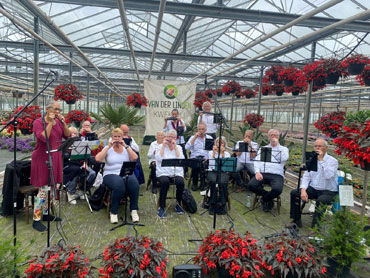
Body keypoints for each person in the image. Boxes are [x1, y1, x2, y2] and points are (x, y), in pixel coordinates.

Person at [31, 101, 70, 232]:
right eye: (55, 109)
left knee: (53, 186)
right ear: (47, 109)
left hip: (56, 157)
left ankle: (46, 213)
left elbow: (67, 135)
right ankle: (36, 219)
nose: (58, 112)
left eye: (59, 110)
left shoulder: (59, 122)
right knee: (43, 188)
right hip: (43, 158)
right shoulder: (39, 122)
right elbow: (44, 138)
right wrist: (50, 123)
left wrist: (63, 122)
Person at [289, 138, 338, 228]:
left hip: (328, 190)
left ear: (326, 148)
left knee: (321, 201)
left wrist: (321, 161)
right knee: (295, 193)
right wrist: (303, 190)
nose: (317, 148)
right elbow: (307, 176)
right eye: (315, 146)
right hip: (314, 187)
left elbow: (328, 176)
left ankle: (315, 227)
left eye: (320, 146)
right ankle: (296, 220)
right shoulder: (311, 160)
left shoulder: (333, 161)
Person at [95, 128, 140, 224]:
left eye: (119, 136)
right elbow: (98, 159)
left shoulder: (125, 148)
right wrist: (108, 147)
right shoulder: (108, 148)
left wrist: (126, 146)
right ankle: (113, 211)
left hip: (125, 172)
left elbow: (135, 158)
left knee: (134, 184)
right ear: (112, 137)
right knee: (119, 185)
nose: (117, 138)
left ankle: (134, 210)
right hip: (110, 173)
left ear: (122, 137)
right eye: (115, 136)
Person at [248, 129, 289, 212]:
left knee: (277, 189)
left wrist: (277, 145)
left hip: (276, 174)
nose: (273, 137)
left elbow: (284, 159)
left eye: (275, 135)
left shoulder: (283, 149)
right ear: (268, 137)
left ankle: (265, 199)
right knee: (251, 185)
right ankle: (267, 197)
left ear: (278, 137)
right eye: (271, 135)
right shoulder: (264, 148)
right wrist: (257, 172)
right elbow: (257, 162)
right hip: (263, 173)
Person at [155, 130, 185, 219]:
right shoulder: (160, 146)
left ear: (175, 138)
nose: (169, 139)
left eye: (172, 137)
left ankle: (178, 204)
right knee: (165, 182)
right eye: (168, 136)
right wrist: (163, 147)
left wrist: (175, 147)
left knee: (180, 182)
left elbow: (181, 160)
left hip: (176, 172)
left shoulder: (178, 147)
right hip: (163, 172)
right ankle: (162, 207)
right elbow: (158, 159)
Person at [63, 126, 96, 205]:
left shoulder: (80, 144)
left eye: (75, 133)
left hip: (80, 164)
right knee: (77, 170)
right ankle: (70, 192)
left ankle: (82, 189)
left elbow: (85, 155)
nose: (73, 135)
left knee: (92, 173)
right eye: (71, 134)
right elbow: (64, 158)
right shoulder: (64, 145)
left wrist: (85, 163)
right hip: (68, 166)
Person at [207, 137, 231, 215]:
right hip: (213, 171)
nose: (219, 144)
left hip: (223, 172)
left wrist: (222, 153)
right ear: (215, 143)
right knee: (214, 181)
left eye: (221, 143)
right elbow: (211, 163)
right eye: (218, 142)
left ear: (224, 144)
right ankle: (212, 204)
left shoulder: (227, 154)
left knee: (222, 182)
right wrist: (215, 152)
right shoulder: (211, 152)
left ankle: (222, 203)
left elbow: (227, 165)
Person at [185, 123, 213, 191]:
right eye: (199, 129)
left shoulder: (209, 138)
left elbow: (211, 150)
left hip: (205, 158)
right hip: (195, 157)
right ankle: (195, 184)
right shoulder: (193, 137)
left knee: (203, 164)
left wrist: (208, 158)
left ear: (205, 130)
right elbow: (186, 147)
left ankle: (202, 184)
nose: (201, 131)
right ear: (197, 130)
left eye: (202, 129)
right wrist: (195, 137)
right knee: (196, 164)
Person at [163, 109, 188, 176]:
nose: (174, 116)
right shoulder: (169, 121)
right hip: (172, 141)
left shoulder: (180, 120)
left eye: (175, 114)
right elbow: (164, 130)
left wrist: (180, 121)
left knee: (184, 155)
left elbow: (184, 129)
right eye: (173, 114)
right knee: (173, 154)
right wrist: (165, 121)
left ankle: (185, 171)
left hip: (180, 140)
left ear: (177, 114)